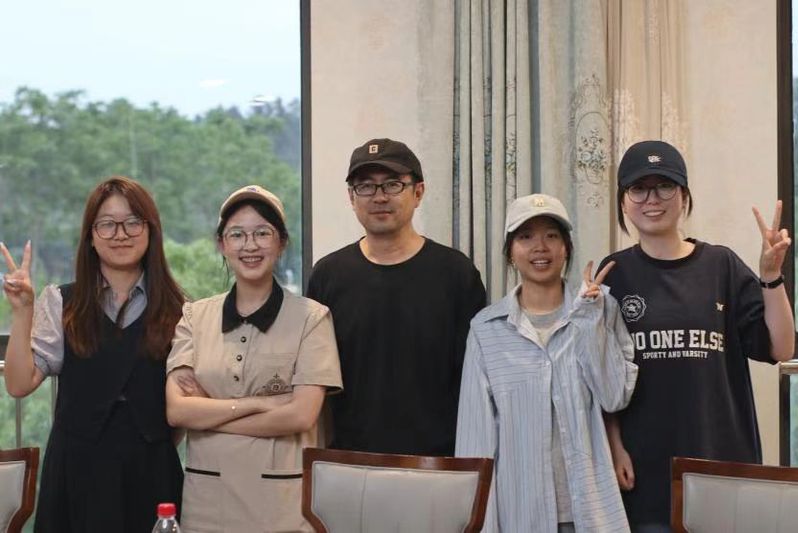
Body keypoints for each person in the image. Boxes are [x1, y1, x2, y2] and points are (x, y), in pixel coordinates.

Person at [600, 140, 795, 532]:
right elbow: (603, 375)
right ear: (623, 201)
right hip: (643, 467)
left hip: (719, 461)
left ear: (684, 196)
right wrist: (614, 447)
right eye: (639, 188)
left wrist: (771, 277)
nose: (652, 199)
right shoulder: (614, 273)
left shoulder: (721, 265)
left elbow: (781, 346)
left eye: (664, 186)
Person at [1, 176, 185, 532]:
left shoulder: (181, 310)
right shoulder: (62, 302)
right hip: (76, 471)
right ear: (90, 236)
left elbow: (182, 407)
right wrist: (23, 311)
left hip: (151, 471)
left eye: (133, 222)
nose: (121, 234)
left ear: (151, 230)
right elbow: (19, 384)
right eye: (107, 224)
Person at [455, 194, 638, 532]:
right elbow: (475, 440)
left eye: (551, 235)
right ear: (511, 252)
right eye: (526, 237)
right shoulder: (486, 328)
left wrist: (590, 321)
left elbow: (614, 396)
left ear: (566, 248)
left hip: (589, 512)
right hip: (519, 512)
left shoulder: (600, 308)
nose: (540, 247)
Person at [165, 185, 342, 532]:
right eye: (237, 234)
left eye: (262, 233)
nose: (250, 245)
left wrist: (209, 414)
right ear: (222, 244)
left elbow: (301, 415)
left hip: (281, 507)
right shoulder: (194, 317)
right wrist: (262, 403)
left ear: (281, 242)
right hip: (206, 505)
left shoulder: (312, 319)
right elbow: (178, 411)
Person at [306, 138, 486, 456]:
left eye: (392, 184)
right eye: (366, 186)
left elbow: (475, 379)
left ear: (418, 192)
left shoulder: (456, 273)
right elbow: (316, 381)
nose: (379, 197)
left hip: (439, 462)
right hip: (350, 460)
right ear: (351, 197)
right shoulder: (328, 275)